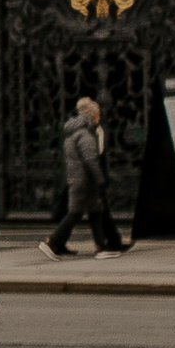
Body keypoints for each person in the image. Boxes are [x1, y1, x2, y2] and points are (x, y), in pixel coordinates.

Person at [45, 93, 123, 259]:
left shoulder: (72, 132)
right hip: (83, 181)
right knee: (75, 213)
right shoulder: (85, 134)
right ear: (93, 115)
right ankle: (52, 242)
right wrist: (101, 179)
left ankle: (101, 246)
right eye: (97, 115)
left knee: (95, 210)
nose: (98, 118)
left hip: (80, 179)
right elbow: (91, 160)